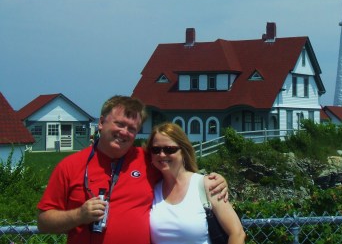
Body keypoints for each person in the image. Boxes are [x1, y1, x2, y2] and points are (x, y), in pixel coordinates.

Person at [37, 95, 227, 244]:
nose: (124, 132)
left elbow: (178, 169)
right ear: (101, 122)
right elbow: (43, 222)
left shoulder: (147, 159)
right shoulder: (70, 166)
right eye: (119, 124)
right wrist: (79, 215)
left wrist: (213, 180)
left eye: (132, 128)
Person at [147, 122, 246, 244]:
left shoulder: (207, 185)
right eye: (156, 149)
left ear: (183, 151)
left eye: (169, 149)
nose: (162, 154)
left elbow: (237, 233)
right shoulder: (151, 189)